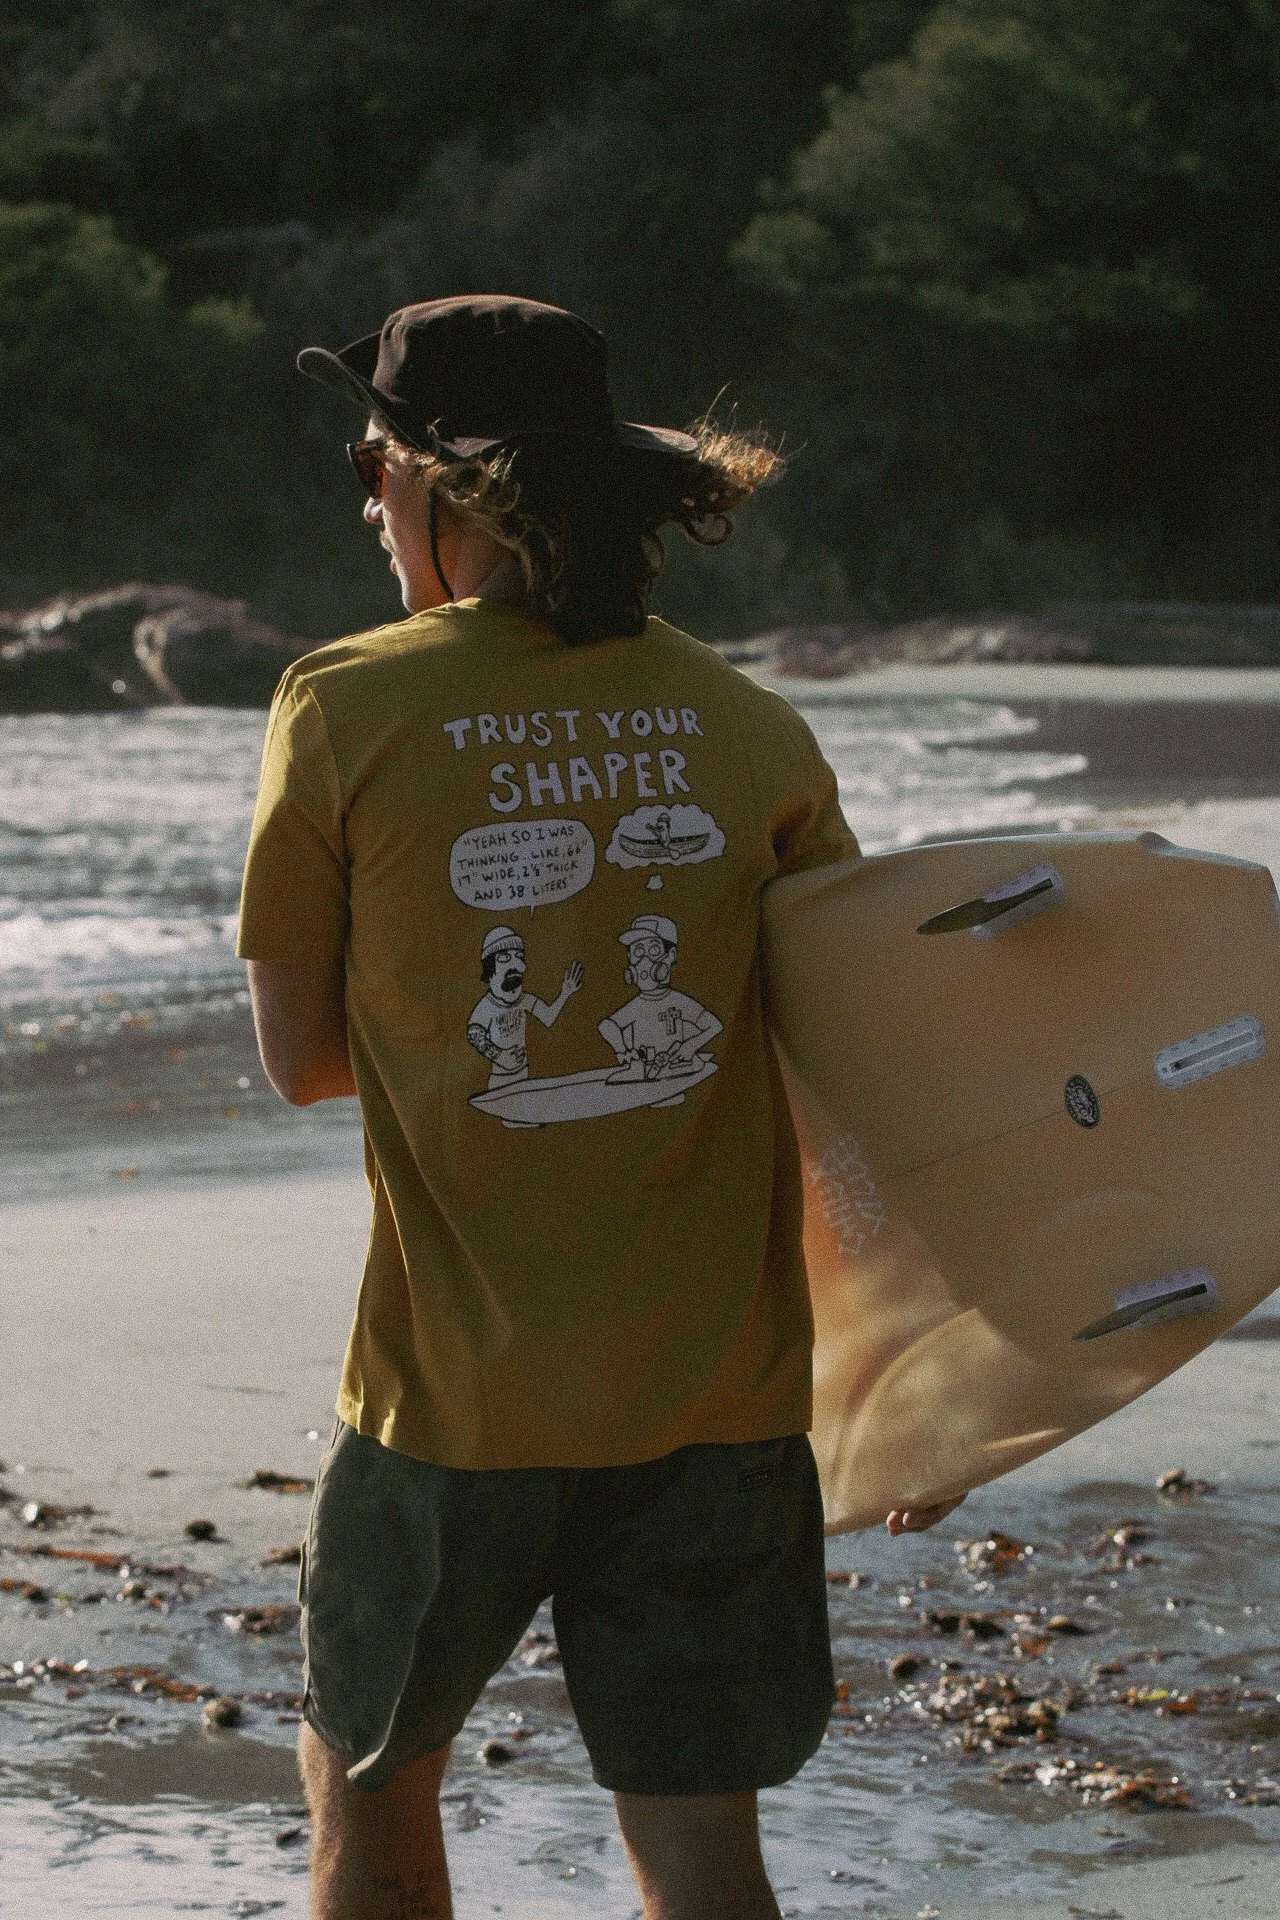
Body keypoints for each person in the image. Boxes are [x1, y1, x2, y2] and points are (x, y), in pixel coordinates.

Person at [238, 294, 959, 1920]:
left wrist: (476, 1031)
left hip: (457, 1404)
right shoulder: (750, 723)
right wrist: (944, 1379)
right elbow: (850, 1059)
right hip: (720, 1405)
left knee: (368, 1793)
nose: (366, 508)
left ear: (431, 484)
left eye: (374, 472)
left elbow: (299, 1056)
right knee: (702, 1846)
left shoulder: (344, 704)